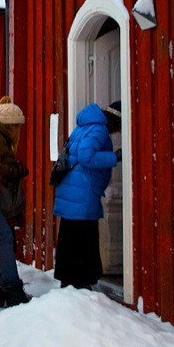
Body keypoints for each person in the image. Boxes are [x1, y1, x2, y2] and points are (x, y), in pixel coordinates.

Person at [53, 102, 119, 289]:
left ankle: (68, 280)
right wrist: (114, 158)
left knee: (70, 235)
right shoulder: (99, 130)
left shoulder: (82, 127)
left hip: (71, 189)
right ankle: (81, 282)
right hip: (82, 191)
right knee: (84, 236)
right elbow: (86, 157)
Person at [0, 96, 31, 307]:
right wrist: (20, 169)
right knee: (6, 243)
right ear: (11, 126)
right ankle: (5, 292)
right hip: (2, 199)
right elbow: (5, 168)